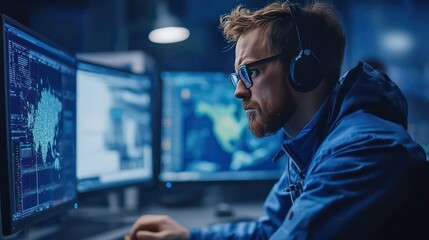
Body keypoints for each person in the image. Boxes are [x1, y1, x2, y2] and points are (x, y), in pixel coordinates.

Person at [129, 1, 429, 239]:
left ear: (303, 68)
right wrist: (188, 237)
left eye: (251, 72)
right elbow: (269, 231)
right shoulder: (311, 144)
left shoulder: (363, 150)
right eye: (238, 76)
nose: (238, 91)